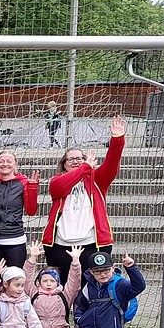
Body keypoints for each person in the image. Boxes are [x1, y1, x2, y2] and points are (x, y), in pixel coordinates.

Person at [41, 116, 128, 288]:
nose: (76, 161)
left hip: (91, 244)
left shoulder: (97, 180)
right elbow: (63, 185)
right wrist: (85, 167)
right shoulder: (56, 182)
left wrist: (117, 140)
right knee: (64, 287)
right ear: (64, 164)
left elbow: (112, 163)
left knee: (92, 287)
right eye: (71, 159)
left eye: (79, 158)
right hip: (60, 245)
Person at [73, 251, 146, 328]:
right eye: (97, 271)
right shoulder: (89, 286)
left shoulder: (119, 285)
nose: (102, 274)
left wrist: (131, 268)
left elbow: (139, 286)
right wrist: (79, 319)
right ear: (91, 272)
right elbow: (81, 305)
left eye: (106, 270)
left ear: (113, 268)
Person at [24, 242, 82, 328]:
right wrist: (32, 258)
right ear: (39, 283)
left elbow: (74, 282)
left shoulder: (64, 296)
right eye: (45, 281)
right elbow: (27, 279)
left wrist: (75, 262)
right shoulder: (34, 294)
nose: (49, 284)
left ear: (58, 283)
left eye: (52, 281)